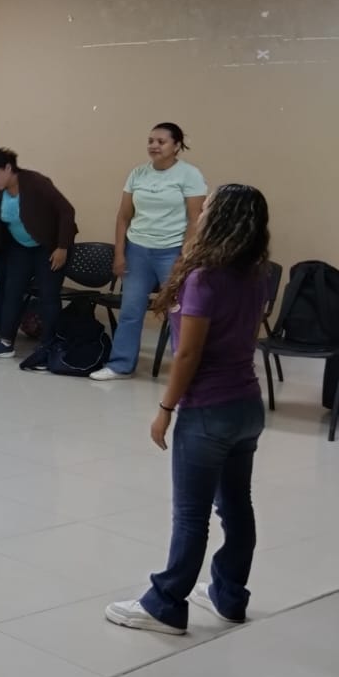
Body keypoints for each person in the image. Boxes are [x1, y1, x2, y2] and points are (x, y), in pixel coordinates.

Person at [105, 183, 270, 636]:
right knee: (236, 505)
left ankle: (166, 604)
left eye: (207, 207)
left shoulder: (204, 278)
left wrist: (165, 408)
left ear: (219, 218)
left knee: (191, 515)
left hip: (208, 411)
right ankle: (229, 596)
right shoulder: (257, 275)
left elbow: (188, 354)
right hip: (246, 406)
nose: (200, 212)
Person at [91, 123, 208, 381]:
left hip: (172, 252)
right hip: (138, 251)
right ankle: (121, 365)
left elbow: (195, 220)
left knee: (178, 313)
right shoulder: (138, 174)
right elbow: (123, 216)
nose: (154, 146)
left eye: (161, 142)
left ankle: (185, 372)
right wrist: (120, 253)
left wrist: (185, 258)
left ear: (176, 146)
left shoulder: (189, 175)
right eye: (150, 141)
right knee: (130, 310)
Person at [0, 148, 78, 360]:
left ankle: (48, 344)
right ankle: (5, 342)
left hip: (49, 247)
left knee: (49, 295)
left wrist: (62, 247)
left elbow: (67, 211)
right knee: (12, 293)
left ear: (8, 168)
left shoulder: (36, 182)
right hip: (20, 247)